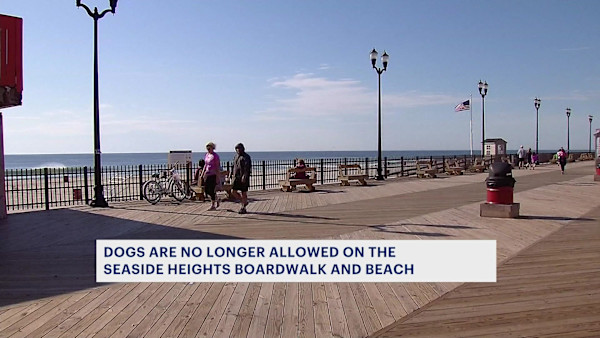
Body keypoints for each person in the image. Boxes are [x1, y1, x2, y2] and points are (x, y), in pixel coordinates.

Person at [230, 143, 252, 214]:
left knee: (243, 192)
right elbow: (233, 166)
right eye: (237, 148)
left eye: (239, 148)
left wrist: (245, 176)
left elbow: (247, 167)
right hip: (236, 177)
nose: (238, 150)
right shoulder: (236, 156)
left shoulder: (246, 157)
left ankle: (243, 207)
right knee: (233, 191)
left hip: (243, 177)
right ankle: (243, 202)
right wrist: (231, 174)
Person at [201, 142, 221, 210]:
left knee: (211, 189)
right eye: (207, 149)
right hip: (207, 174)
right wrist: (202, 174)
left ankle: (213, 205)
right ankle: (216, 199)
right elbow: (205, 165)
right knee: (206, 190)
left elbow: (217, 167)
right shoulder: (207, 155)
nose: (208, 150)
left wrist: (218, 177)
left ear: (213, 148)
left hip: (213, 174)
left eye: (209, 148)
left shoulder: (215, 156)